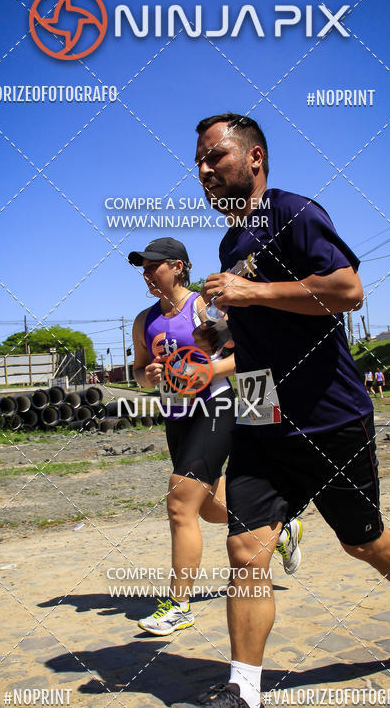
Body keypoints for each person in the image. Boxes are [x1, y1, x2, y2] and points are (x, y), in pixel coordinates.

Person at [169, 114, 390, 708]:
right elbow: (257, 329)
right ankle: (245, 698)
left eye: (215, 156)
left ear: (255, 158)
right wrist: (218, 337)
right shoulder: (230, 244)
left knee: (363, 541)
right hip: (261, 412)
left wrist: (252, 294)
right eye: (198, 162)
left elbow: (347, 290)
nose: (204, 169)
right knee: (246, 548)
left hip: (330, 416)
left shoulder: (293, 213)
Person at [129, 236, 304, 635]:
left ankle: (178, 606)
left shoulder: (203, 307)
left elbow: (249, 355)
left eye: (154, 266)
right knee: (205, 507)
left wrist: (207, 370)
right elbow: (139, 372)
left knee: (179, 502)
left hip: (216, 406)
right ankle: (279, 525)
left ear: (178, 267)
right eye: (143, 268)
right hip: (176, 415)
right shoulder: (143, 320)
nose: (147, 273)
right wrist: (148, 376)